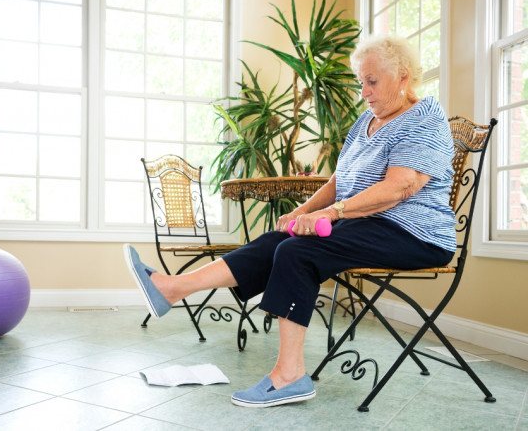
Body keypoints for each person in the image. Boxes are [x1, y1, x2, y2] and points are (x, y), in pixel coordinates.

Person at [125, 34, 457, 408]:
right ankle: (171, 288)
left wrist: (331, 213)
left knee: (298, 253)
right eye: (360, 82)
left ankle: (289, 376)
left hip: (415, 233)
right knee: (276, 241)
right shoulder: (367, 120)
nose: (363, 91)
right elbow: (338, 181)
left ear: (402, 76)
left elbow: (401, 187)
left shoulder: (425, 116)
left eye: (372, 81)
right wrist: (301, 212)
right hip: (366, 225)